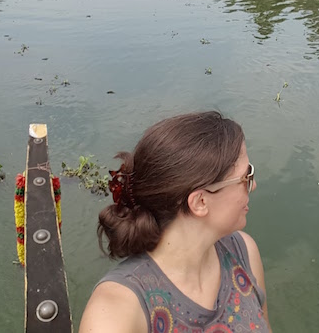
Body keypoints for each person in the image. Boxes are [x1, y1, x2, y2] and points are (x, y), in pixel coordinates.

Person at [80, 111, 270, 333]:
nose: (253, 186)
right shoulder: (116, 313)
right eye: (246, 178)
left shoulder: (243, 252)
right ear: (200, 202)